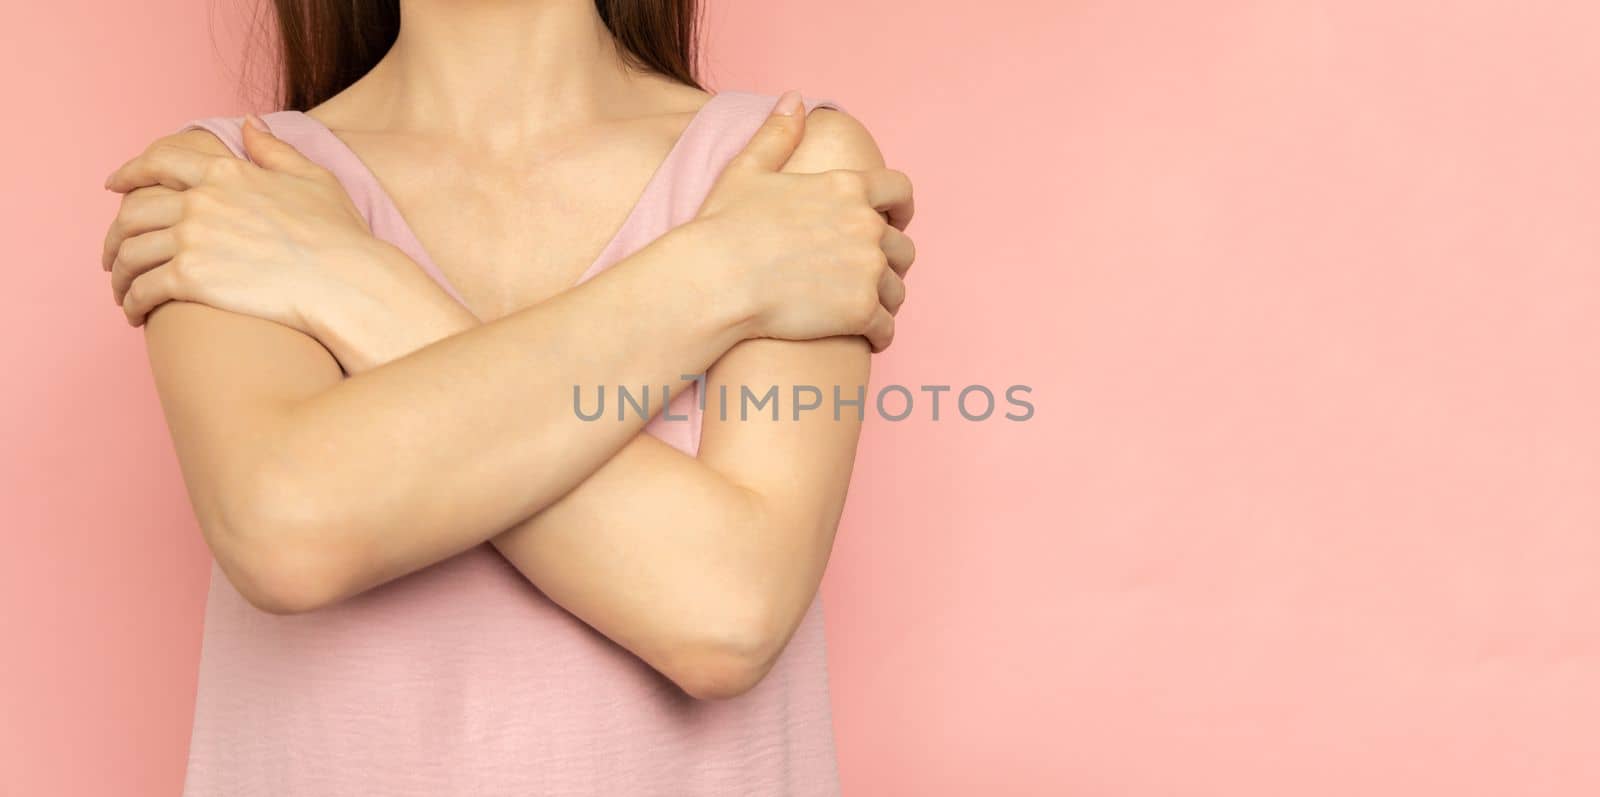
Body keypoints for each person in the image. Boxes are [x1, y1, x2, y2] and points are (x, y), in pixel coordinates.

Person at [98, 0, 915, 794]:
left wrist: (351, 284)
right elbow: (285, 529)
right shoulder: (230, 187)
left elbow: (730, 612)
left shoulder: (791, 167)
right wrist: (725, 272)